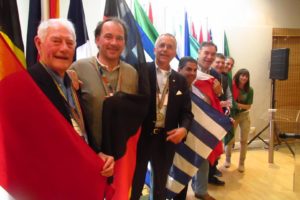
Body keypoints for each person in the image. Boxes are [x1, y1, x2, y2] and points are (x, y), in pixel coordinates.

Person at [27, 18, 114, 177]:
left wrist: (97, 155)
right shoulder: (28, 85)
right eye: (56, 41)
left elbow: (80, 128)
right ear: (39, 44)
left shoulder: (71, 82)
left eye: (70, 43)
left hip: (79, 174)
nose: (64, 48)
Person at [130, 34, 193, 200]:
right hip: (141, 137)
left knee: (160, 184)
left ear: (174, 53)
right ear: (155, 48)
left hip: (166, 139)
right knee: (135, 182)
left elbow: (187, 112)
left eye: (170, 46)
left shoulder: (180, 80)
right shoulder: (139, 70)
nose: (165, 49)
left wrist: (184, 129)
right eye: (162, 45)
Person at [69, 17, 138, 154]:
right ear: (97, 40)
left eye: (119, 38)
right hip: (88, 150)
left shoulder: (132, 73)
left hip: (120, 152)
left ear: (124, 43)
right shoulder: (78, 68)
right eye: (108, 37)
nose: (114, 43)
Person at [173, 56, 197, 200]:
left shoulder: (198, 90)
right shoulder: (170, 85)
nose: (192, 73)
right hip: (170, 138)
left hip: (189, 139)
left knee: (184, 174)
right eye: (188, 69)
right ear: (179, 69)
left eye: (195, 70)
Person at [224, 68, 254, 172]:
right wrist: (235, 105)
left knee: (244, 140)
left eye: (246, 76)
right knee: (230, 139)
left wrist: (236, 104)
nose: (244, 77)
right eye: (242, 75)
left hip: (244, 116)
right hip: (233, 116)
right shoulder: (231, 87)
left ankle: (242, 163)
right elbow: (228, 100)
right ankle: (227, 160)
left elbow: (248, 106)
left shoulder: (250, 90)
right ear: (238, 76)